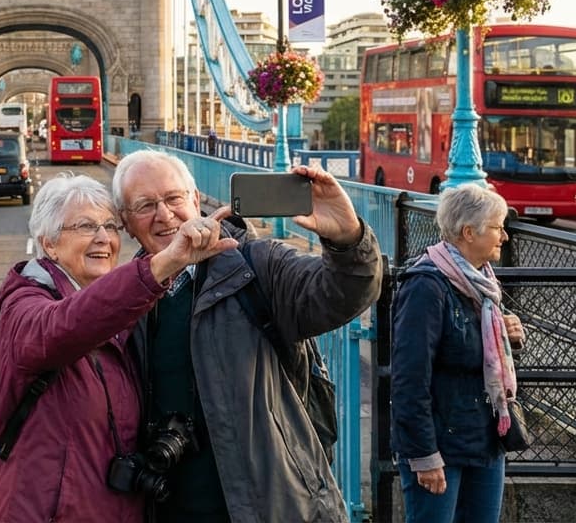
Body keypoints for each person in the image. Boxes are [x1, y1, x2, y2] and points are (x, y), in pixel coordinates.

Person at [110, 150, 383, 523]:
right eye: (145, 205)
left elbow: (342, 293)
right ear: (126, 223)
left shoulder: (258, 264)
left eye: (173, 198)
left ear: (195, 199)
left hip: (273, 506)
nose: (164, 214)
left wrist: (347, 240)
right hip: (171, 506)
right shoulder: (125, 296)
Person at [0, 174, 227, 523]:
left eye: (111, 226)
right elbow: (66, 325)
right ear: (49, 244)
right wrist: (161, 265)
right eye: (86, 226)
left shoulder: (122, 310)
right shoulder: (24, 302)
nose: (103, 238)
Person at [391, 185, 526, 523]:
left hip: (485, 442)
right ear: (469, 232)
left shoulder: (482, 282)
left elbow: (479, 355)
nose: (504, 237)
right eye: (497, 227)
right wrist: (424, 455)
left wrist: (509, 338)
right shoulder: (426, 286)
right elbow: (409, 379)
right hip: (441, 448)